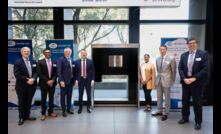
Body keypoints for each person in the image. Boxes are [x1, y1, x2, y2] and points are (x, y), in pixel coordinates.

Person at [178, 38, 209, 130]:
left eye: (193, 43)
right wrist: (184, 78)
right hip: (186, 82)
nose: (191, 45)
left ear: (197, 44)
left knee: (197, 103)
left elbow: (205, 69)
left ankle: (198, 122)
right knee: (185, 101)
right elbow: (180, 68)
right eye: (190, 43)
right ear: (187, 45)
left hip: (197, 83)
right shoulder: (184, 55)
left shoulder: (203, 54)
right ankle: (185, 117)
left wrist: (194, 78)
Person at [13, 47, 38, 125]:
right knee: (21, 102)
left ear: (30, 52)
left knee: (29, 101)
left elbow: (36, 72)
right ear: (21, 53)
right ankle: (21, 117)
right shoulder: (17, 62)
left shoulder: (33, 61)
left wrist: (33, 79)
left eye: (28, 51)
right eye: (25, 51)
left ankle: (27, 115)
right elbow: (17, 74)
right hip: (21, 86)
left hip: (32, 85)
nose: (26, 52)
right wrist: (28, 79)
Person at [152, 45, 177, 121]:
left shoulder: (171, 59)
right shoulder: (157, 59)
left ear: (166, 50)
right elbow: (158, 70)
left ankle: (166, 113)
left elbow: (174, 71)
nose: (162, 51)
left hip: (167, 80)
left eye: (163, 49)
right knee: (159, 97)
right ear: (159, 50)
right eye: (160, 49)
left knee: (167, 98)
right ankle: (159, 110)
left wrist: (172, 80)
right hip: (159, 80)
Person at [37, 49, 57, 120]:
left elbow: (56, 72)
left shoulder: (54, 62)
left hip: (52, 83)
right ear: (44, 53)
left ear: (51, 53)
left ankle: (50, 112)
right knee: (43, 98)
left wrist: (53, 80)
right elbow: (39, 73)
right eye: (46, 52)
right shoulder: (40, 62)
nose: (48, 54)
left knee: (51, 98)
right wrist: (48, 81)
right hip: (44, 83)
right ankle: (43, 113)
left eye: (49, 52)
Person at [74, 49, 95, 114]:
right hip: (80, 80)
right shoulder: (76, 62)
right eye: (82, 53)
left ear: (86, 54)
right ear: (81, 54)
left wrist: (92, 80)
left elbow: (93, 72)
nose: (84, 54)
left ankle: (88, 108)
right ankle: (80, 108)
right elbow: (75, 72)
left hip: (88, 80)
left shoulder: (90, 61)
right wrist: (76, 80)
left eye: (85, 53)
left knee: (89, 95)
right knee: (80, 95)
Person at [57, 47, 75, 117]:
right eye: (67, 52)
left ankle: (68, 109)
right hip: (63, 82)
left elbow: (72, 71)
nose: (68, 53)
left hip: (70, 82)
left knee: (69, 96)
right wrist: (61, 81)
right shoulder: (60, 59)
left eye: (69, 52)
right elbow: (59, 71)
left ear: (70, 53)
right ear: (64, 52)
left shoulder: (71, 60)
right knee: (63, 97)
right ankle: (63, 110)